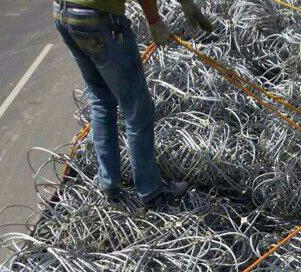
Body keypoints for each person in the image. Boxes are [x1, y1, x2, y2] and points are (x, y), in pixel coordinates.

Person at [53, 0, 212, 207]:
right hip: (99, 18)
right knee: (137, 109)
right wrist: (155, 21)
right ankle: (151, 192)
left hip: (63, 13)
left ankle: (109, 185)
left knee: (101, 98)